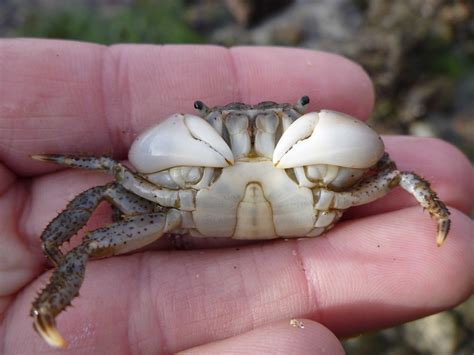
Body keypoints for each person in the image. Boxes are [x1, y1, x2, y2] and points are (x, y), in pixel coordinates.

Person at [0, 40, 472, 354]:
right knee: (95, 222)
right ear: (201, 124)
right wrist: (54, 242)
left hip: (303, 204)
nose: (253, 136)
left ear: (302, 120)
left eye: (287, 120)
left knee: (402, 174)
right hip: (173, 217)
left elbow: (388, 171)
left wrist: (428, 202)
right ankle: (46, 311)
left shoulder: (331, 166)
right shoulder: (173, 169)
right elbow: (115, 175)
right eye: (211, 123)